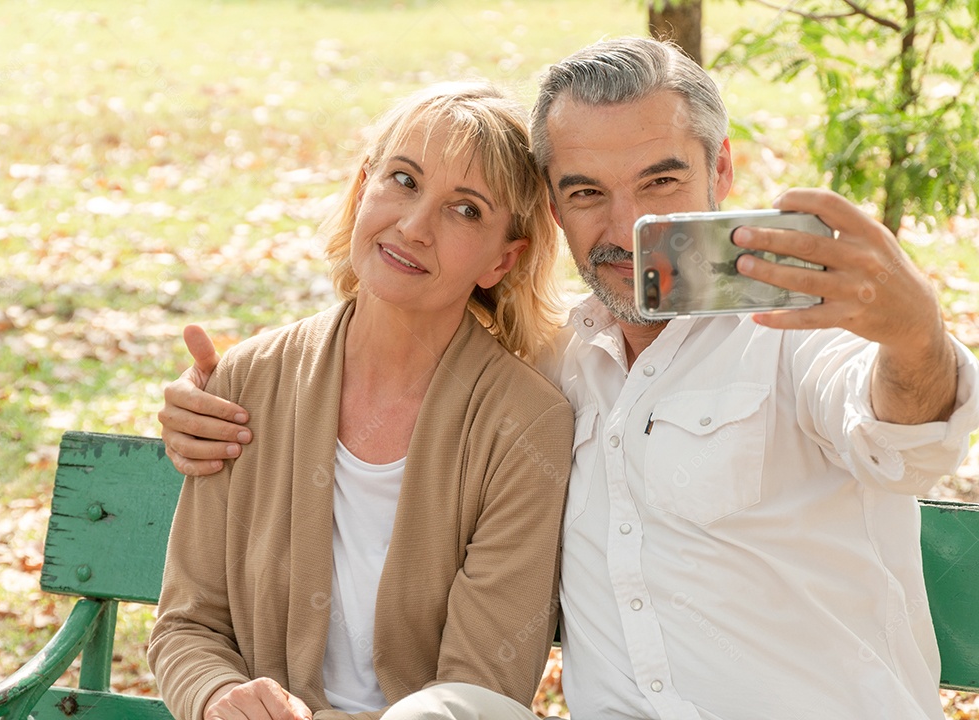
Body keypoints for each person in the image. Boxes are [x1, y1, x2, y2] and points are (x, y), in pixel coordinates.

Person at [158, 38, 979, 720]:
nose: (627, 225)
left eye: (660, 181)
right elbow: (401, 319)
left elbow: (904, 441)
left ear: (720, 170)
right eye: (588, 193)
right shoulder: (557, 365)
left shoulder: (794, 334)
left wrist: (914, 336)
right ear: (553, 213)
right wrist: (205, 404)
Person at [147, 81, 575, 720]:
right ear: (362, 187)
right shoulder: (247, 383)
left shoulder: (523, 425)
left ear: (503, 259)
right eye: (404, 181)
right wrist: (216, 697)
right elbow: (187, 623)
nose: (413, 226)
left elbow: (483, 687)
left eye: (465, 210)